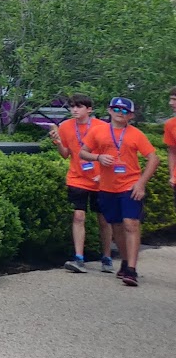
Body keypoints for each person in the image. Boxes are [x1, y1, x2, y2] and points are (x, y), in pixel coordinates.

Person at [84, 97, 159, 287]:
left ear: (131, 115)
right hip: (107, 187)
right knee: (117, 226)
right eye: (116, 109)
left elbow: (153, 158)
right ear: (109, 110)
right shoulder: (98, 131)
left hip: (130, 185)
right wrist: (98, 157)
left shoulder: (136, 134)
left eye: (125, 111)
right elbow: (83, 152)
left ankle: (132, 270)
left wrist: (141, 184)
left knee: (130, 224)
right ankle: (125, 261)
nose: (120, 113)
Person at [49, 96, 115, 272]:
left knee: (103, 219)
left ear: (89, 109)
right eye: (72, 107)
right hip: (76, 177)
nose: (74, 110)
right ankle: (79, 258)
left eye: (79, 107)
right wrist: (56, 141)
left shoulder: (102, 127)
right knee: (78, 216)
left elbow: (112, 152)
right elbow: (65, 154)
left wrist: (103, 175)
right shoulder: (65, 126)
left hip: (100, 179)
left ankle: (107, 257)